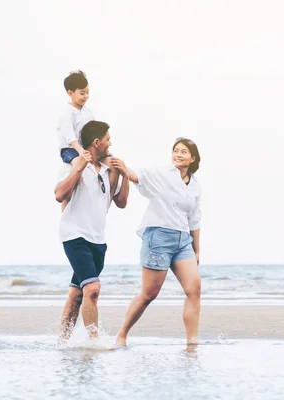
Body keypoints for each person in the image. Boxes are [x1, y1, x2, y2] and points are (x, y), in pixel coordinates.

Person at [110, 137, 202, 346]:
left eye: (183, 152)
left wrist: (197, 249)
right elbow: (137, 176)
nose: (178, 154)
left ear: (193, 158)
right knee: (149, 294)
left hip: (182, 240)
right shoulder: (162, 174)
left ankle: (192, 340)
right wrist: (124, 168)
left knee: (194, 288)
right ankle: (122, 334)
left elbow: (195, 218)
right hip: (158, 237)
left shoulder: (196, 185)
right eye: (176, 151)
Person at [54, 120, 130, 342]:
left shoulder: (109, 170)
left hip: (97, 239)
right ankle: (94, 341)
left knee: (78, 294)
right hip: (74, 235)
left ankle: (63, 341)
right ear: (97, 142)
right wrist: (78, 167)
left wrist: (125, 175)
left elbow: (121, 202)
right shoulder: (73, 165)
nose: (110, 143)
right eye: (108, 139)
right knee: (93, 289)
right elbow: (59, 194)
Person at [56, 70, 118, 210]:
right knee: (79, 165)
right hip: (71, 150)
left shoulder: (88, 112)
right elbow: (69, 136)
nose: (86, 96)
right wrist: (81, 152)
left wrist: (104, 150)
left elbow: (93, 132)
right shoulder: (67, 113)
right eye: (82, 93)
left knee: (112, 164)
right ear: (70, 93)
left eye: (87, 92)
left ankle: (106, 200)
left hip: (86, 149)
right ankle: (67, 207)